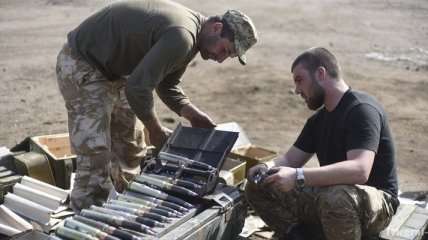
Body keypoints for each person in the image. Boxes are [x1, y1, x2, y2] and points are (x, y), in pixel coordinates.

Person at [55, 0, 258, 213]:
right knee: (95, 155)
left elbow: (167, 84)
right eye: (225, 50)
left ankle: (124, 207)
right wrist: (155, 129)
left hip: (113, 73)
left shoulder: (193, 37)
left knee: (130, 146)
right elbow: (138, 87)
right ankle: (85, 222)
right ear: (216, 29)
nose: (221, 59)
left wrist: (190, 112)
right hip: (82, 64)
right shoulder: (182, 36)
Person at [245, 47, 399, 240]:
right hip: (332, 197)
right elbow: (290, 159)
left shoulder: (362, 110)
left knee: (335, 197)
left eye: (300, 80)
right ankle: (298, 235)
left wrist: (299, 176)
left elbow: (360, 170)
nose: (297, 90)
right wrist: (264, 168)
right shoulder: (318, 120)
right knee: (258, 186)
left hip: (377, 204)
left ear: (320, 73)